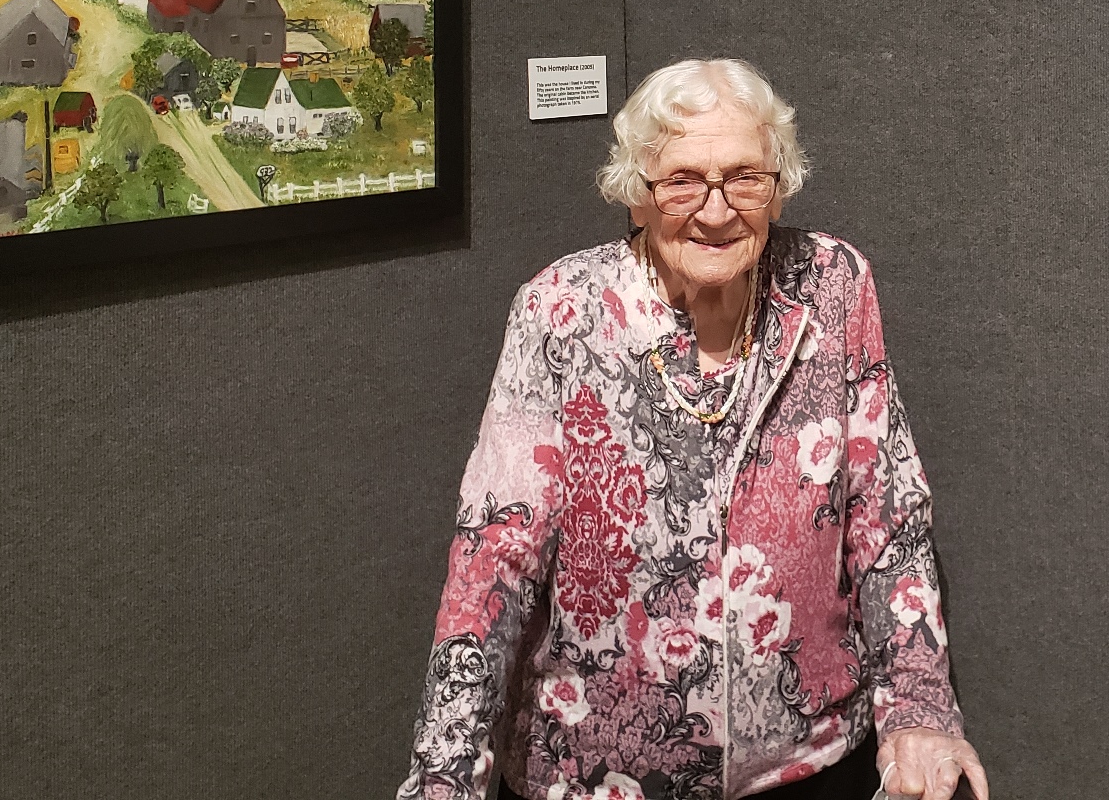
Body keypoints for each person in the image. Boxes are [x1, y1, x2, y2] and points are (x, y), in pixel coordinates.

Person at [399, 59, 987, 800]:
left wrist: (918, 709)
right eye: (682, 180)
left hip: (808, 763)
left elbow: (887, 511)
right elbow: (496, 553)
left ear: (779, 187)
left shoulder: (832, 283)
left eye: (745, 177)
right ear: (636, 195)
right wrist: (443, 778)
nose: (715, 210)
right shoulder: (562, 309)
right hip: (597, 777)